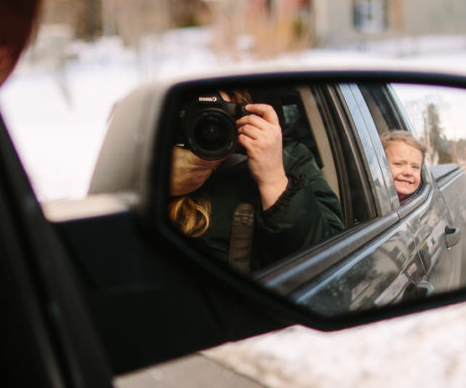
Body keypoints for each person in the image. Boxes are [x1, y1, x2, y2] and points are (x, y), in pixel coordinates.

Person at [169, 91, 344, 273]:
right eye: (195, 108)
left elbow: (329, 264)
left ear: (238, 109)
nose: (210, 126)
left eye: (218, 108)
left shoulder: (288, 159)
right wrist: (163, 185)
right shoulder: (152, 154)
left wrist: (273, 178)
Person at [381, 129, 425, 202]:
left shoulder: (418, 195)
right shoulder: (373, 195)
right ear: (381, 166)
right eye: (398, 164)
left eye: (415, 167)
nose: (408, 172)